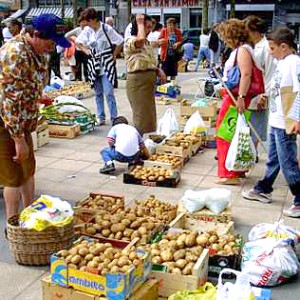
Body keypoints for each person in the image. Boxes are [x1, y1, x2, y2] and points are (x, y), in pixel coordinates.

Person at [0, 14, 71, 220]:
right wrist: (18, 139)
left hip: (22, 122)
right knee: (13, 177)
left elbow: (30, 83)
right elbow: (9, 102)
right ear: (36, 35)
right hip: (5, 122)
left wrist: (38, 96)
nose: (53, 48)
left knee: (28, 169)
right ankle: (13, 226)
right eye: (50, 42)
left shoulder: (38, 52)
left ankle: (31, 216)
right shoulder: (14, 54)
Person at [242, 27, 300, 218]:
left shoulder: (293, 62)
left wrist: (297, 118)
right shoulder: (283, 62)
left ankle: (299, 199)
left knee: (287, 162)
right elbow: (278, 86)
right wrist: (266, 96)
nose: (270, 53)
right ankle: (263, 188)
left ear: (284, 46)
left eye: (273, 48)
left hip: (285, 122)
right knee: (274, 158)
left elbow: (298, 92)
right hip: (277, 120)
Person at [216, 19, 264, 185]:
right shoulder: (246, 48)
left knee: (225, 133)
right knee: (237, 132)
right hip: (238, 96)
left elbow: (246, 74)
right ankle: (237, 169)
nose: (223, 39)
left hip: (236, 97)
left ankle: (229, 173)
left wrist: (241, 97)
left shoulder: (242, 50)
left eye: (224, 35)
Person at [76, 8, 123, 125]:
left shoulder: (106, 29)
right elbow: (78, 42)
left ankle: (114, 117)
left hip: (106, 63)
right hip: (94, 64)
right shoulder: (88, 30)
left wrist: (114, 55)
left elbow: (120, 41)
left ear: (92, 20)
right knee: (97, 93)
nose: (85, 23)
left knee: (108, 92)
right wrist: (86, 51)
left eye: (86, 21)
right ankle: (101, 117)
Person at [124, 14, 166, 135]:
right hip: (138, 82)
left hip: (147, 83)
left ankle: (143, 143)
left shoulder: (146, 42)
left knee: (148, 115)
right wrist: (140, 23)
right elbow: (140, 41)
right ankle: (137, 145)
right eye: (146, 27)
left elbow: (148, 61)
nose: (149, 30)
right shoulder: (130, 40)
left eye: (150, 27)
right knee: (141, 115)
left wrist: (158, 70)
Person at [244, 15, 277, 155]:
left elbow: (270, 73)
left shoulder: (266, 48)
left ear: (256, 31)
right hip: (249, 90)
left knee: (256, 124)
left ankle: (253, 152)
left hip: (260, 91)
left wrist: (265, 95)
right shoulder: (251, 45)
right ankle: (245, 150)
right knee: (246, 123)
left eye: (248, 31)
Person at [65, 17, 89, 81]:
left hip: (86, 50)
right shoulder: (77, 30)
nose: (83, 24)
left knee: (86, 65)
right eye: (82, 22)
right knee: (78, 66)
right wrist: (73, 40)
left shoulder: (89, 29)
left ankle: (87, 79)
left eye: (85, 22)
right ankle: (78, 79)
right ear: (79, 23)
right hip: (78, 50)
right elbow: (66, 35)